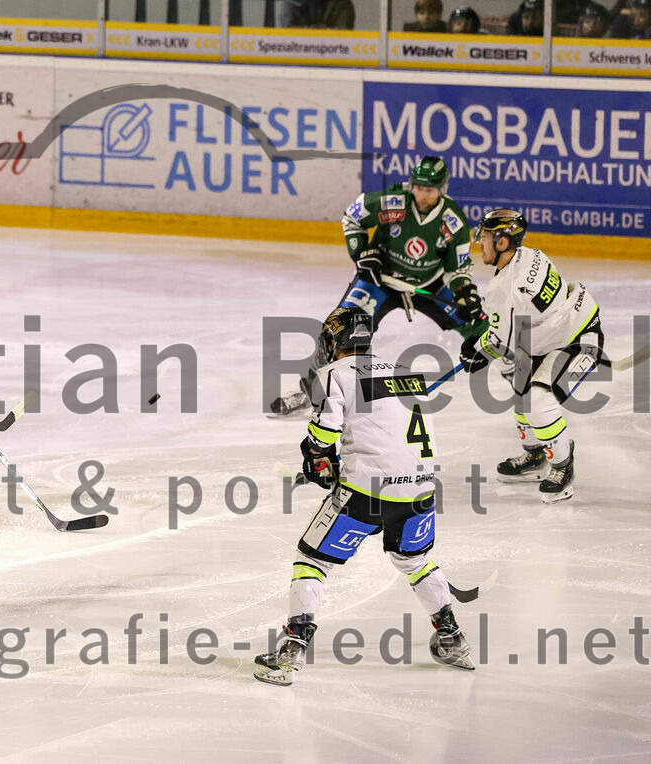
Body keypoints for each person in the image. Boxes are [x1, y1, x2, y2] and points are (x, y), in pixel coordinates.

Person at [254, 307, 474, 686]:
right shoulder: (406, 371)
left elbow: (326, 431)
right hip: (421, 489)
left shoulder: (332, 374)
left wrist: (316, 455)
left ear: (332, 341)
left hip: (368, 492)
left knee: (312, 560)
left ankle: (292, 651)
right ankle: (452, 638)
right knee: (415, 560)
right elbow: (391, 436)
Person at [270, 156, 487, 415]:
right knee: (339, 330)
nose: (422, 195)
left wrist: (463, 292)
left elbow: (459, 268)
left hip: (429, 285)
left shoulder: (453, 221)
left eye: (429, 190)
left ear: (442, 189)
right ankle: (311, 393)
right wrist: (361, 253)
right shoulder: (392, 201)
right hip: (379, 281)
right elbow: (352, 216)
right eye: (418, 187)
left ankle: (530, 389)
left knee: (480, 328)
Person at [459, 210, 604, 503]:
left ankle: (563, 466)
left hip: (579, 339)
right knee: (522, 392)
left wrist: (477, 351)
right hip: (547, 336)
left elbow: (500, 342)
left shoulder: (505, 288)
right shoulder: (528, 254)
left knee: (539, 400)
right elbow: (512, 325)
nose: (479, 243)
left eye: (485, 237)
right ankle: (536, 453)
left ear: (502, 242)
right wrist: (483, 340)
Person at [278, 0, 355, 28]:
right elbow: (288, 32)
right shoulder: (292, 3)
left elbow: (342, 35)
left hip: (332, 58)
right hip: (297, 56)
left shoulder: (342, 3)